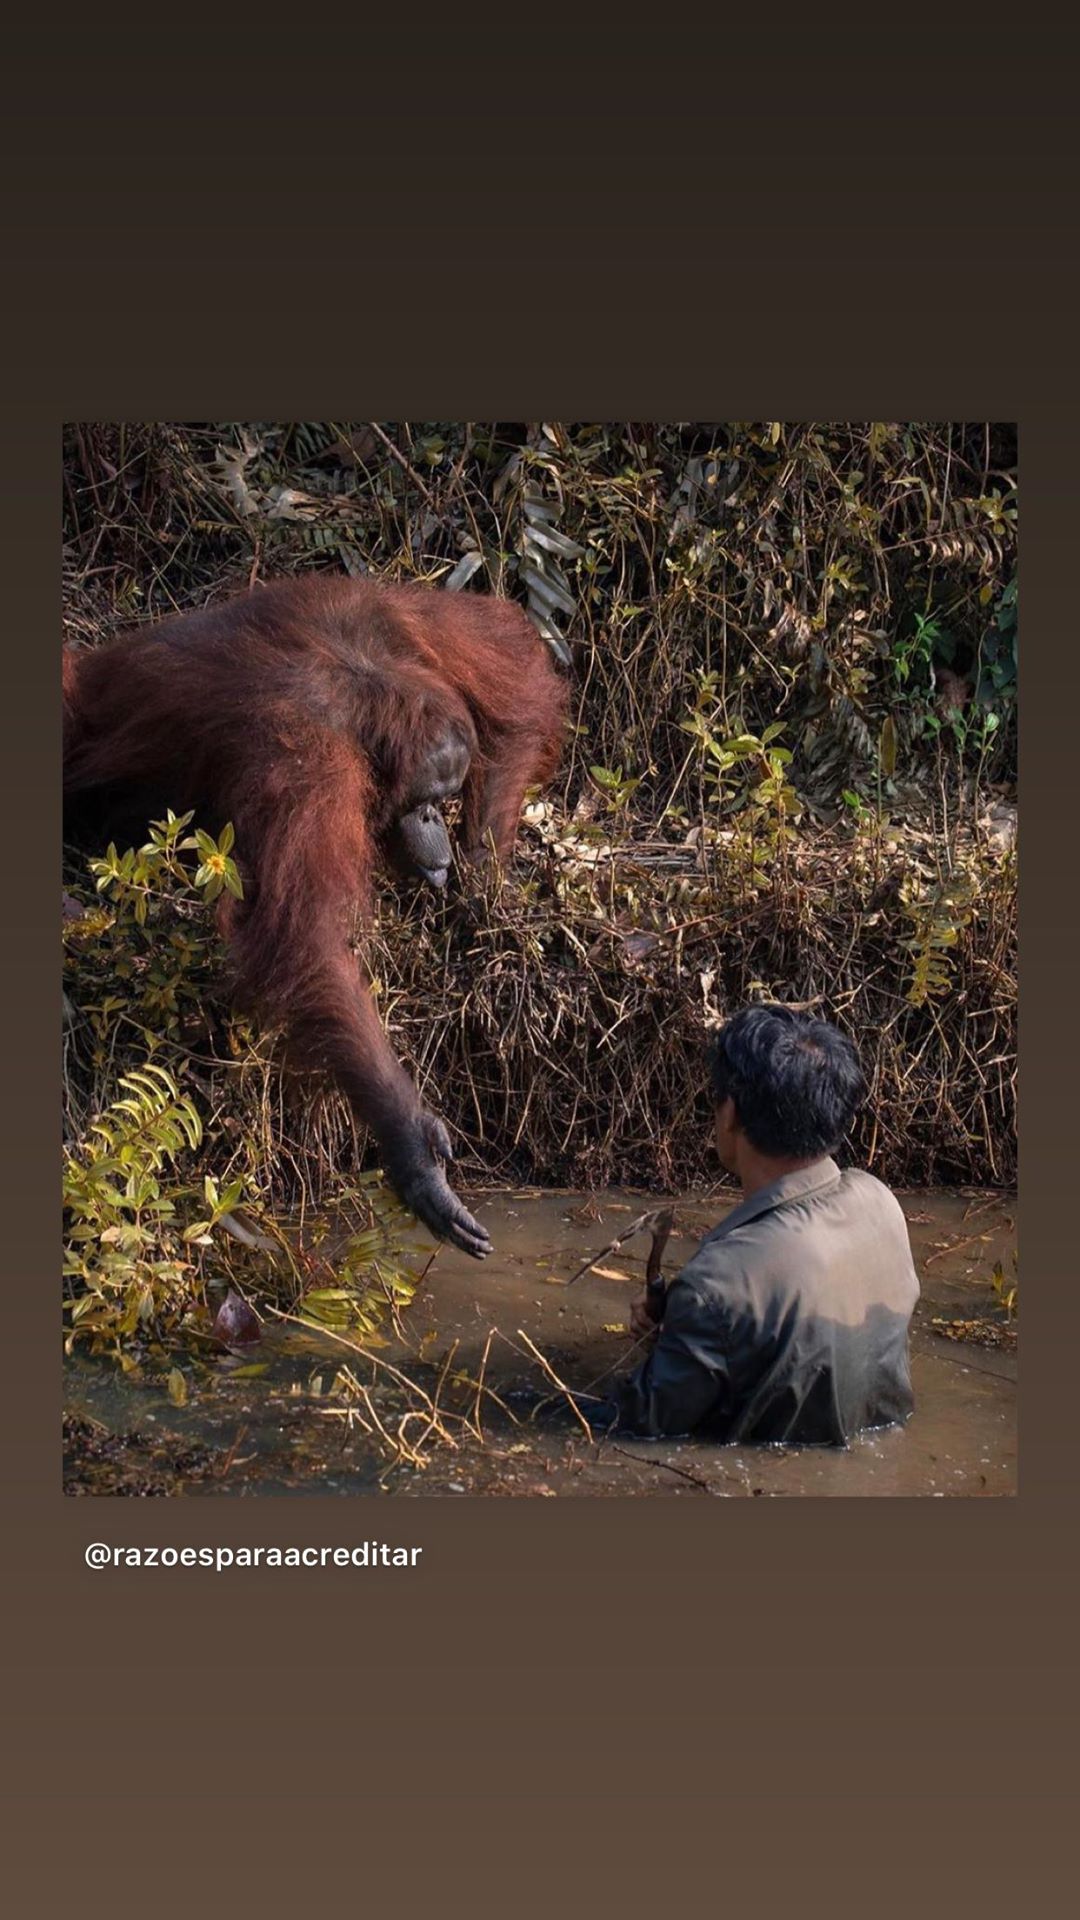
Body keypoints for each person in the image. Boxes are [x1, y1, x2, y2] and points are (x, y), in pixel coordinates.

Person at [608, 1004, 920, 1446]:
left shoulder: (718, 1284)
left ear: (730, 1113)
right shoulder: (880, 1202)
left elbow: (636, 1424)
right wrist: (678, 1334)